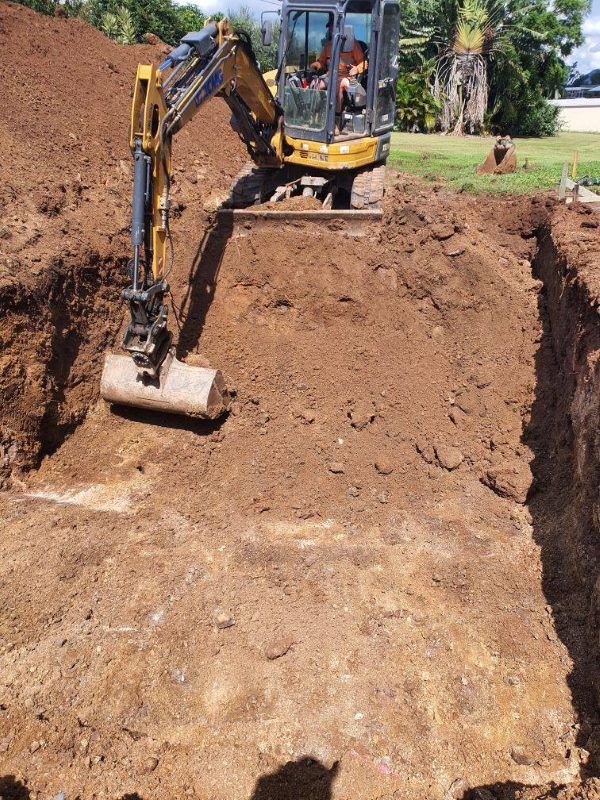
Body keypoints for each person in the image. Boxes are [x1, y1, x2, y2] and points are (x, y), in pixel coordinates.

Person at [310, 17, 367, 115]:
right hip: (331, 76)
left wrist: (356, 69)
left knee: (340, 85)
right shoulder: (328, 46)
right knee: (314, 84)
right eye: (331, 28)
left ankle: (336, 116)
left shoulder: (353, 44)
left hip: (347, 76)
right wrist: (315, 65)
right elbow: (322, 62)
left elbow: (364, 63)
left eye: (334, 27)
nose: (332, 30)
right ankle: (315, 114)